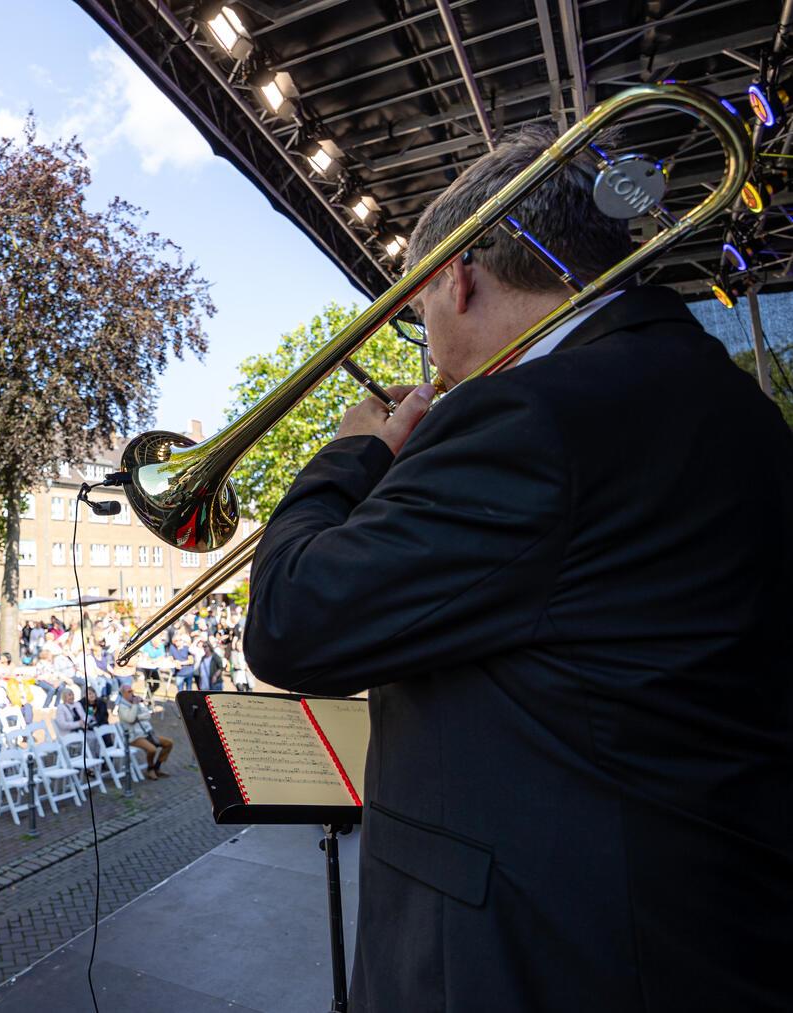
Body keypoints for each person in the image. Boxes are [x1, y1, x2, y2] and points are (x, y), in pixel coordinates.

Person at [242, 125, 793, 1010]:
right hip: (693, 927)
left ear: (456, 280)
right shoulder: (726, 399)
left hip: (543, 955)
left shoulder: (529, 417)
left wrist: (352, 459)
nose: (427, 342)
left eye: (419, 309)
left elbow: (289, 622)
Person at [115, 685, 171, 778]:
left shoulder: (137, 702)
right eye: (129, 691)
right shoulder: (122, 707)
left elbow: (148, 715)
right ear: (123, 694)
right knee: (152, 749)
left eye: (132, 691)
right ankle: (150, 769)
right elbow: (130, 719)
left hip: (146, 733)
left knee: (168, 743)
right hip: (134, 737)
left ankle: (157, 767)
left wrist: (138, 717)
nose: (132, 693)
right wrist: (135, 705)